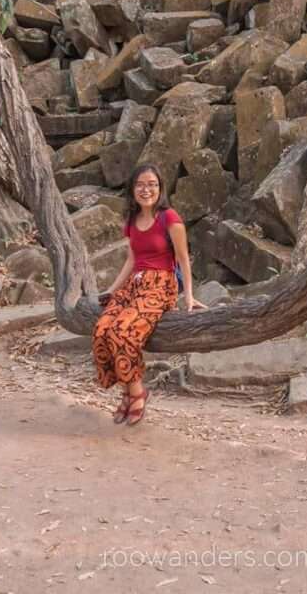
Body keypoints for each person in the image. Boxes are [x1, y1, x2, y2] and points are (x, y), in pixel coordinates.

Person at [91, 164, 205, 426]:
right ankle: (126, 390)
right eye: (141, 185)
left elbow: (184, 260)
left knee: (122, 332)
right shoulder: (131, 220)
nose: (147, 190)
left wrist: (188, 297)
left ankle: (137, 392)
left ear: (160, 188)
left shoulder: (170, 219)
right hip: (134, 285)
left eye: (152, 184)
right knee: (101, 330)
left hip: (160, 285)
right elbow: (132, 259)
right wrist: (112, 289)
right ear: (133, 190)